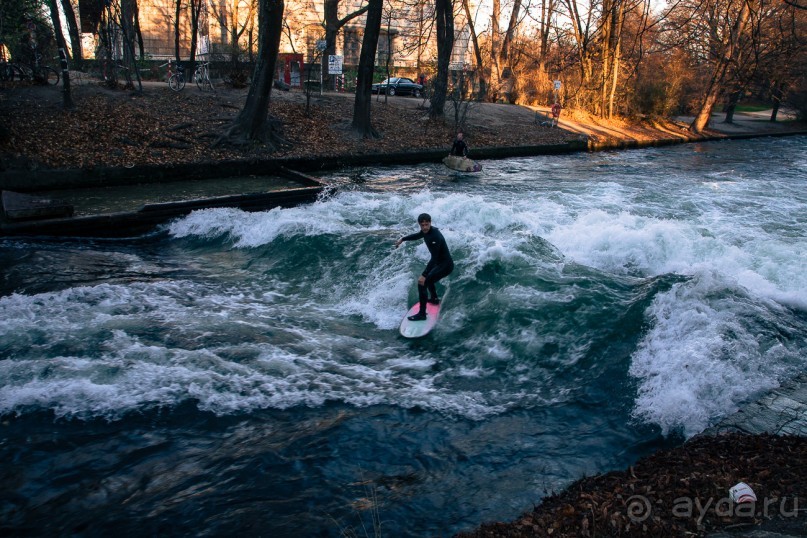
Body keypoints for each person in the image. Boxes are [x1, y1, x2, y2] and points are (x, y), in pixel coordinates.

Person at [395, 213, 454, 321]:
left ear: (430, 223)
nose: (425, 227)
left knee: (422, 283)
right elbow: (418, 235)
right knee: (429, 278)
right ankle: (434, 299)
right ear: (420, 224)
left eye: (427, 224)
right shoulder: (425, 231)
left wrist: (424, 275)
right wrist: (403, 239)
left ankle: (422, 314)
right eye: (422, 225)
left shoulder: (435, 236)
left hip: (446, 266)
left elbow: (434, 258)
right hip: (440, 263)